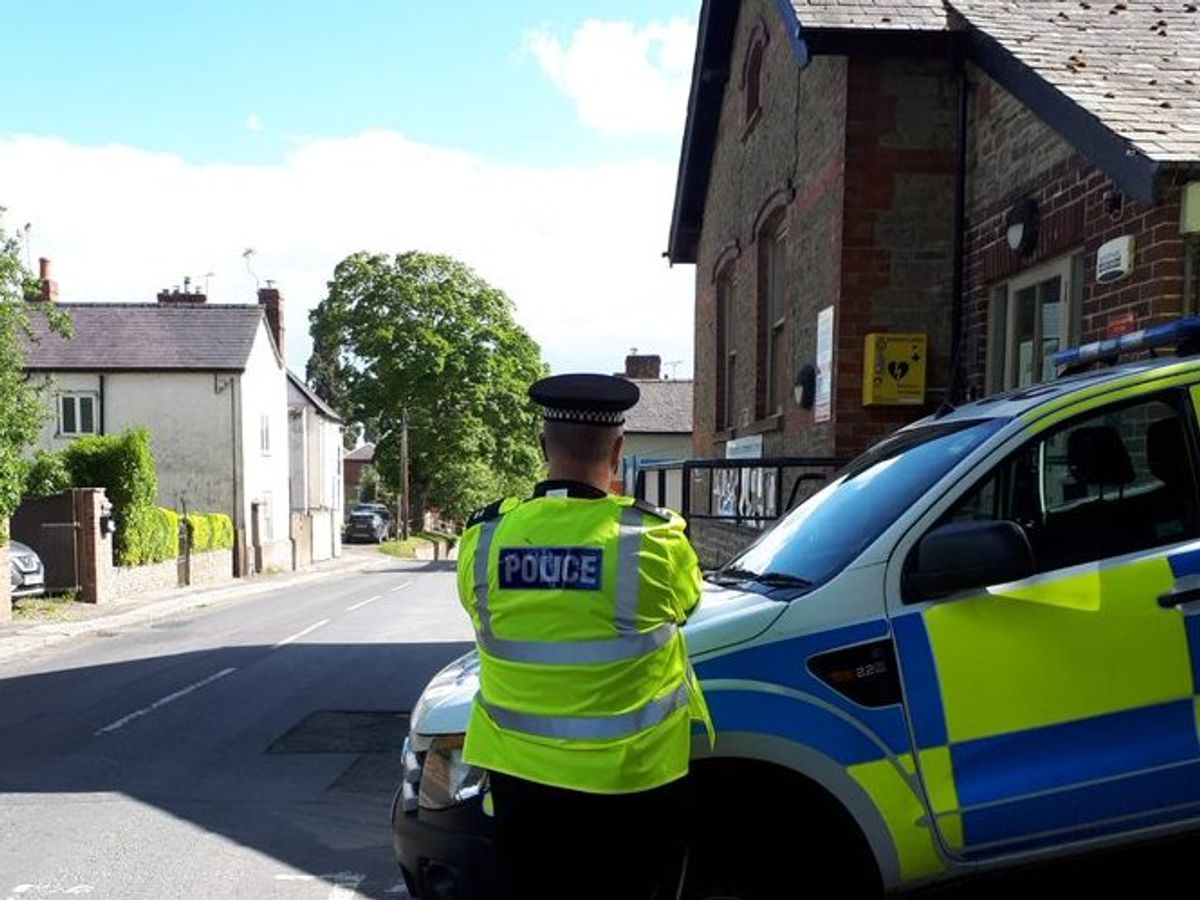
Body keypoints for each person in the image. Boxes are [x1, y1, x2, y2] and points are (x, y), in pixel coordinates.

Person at [456, 372, 710, 900]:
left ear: (543, 445)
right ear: (617, 451)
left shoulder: (483, 541)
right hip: (633, 786)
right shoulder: (654, 540)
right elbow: (688, 605)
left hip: (519, 786)